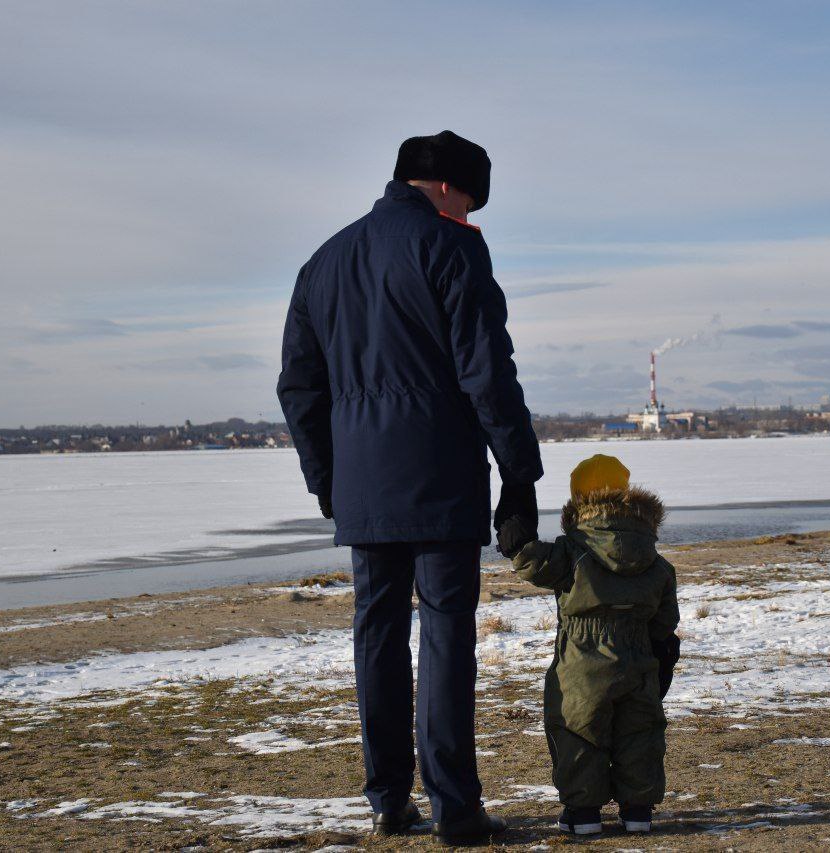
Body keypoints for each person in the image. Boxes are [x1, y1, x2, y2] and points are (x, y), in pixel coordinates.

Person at [276, 130, 542, 845]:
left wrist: (328, 479)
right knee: (447, 638)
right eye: (472, 200)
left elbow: (299, 385)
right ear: (451, 189)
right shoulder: (451, 247)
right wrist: (519, 473)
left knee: (379, 637)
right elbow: (488, 372)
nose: (471, 213)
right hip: (442, 481)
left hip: (364, 489)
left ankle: (389, 800)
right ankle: (456, 809)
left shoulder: (323, 261)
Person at [497, 454, 680, 836]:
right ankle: (638, 811)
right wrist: (658, 649)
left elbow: (530, 562)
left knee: (578, 730)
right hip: (638, 658)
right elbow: (666, 621)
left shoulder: (571, 552)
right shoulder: (653, 557)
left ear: (578, 499)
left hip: (581, 660)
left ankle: (583, 814)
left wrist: (515, 532)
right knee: (639, 732)